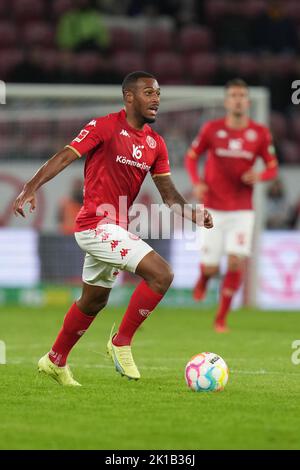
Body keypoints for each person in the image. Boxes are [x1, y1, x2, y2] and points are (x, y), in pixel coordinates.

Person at [13, 71, 213, 386]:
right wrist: (31, 186)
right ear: (129, 97)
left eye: (158, 93)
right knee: (162, 274)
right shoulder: (104, 126)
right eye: (149, 92)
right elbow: (66, 155)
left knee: (94, 301)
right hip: (95, 224)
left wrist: (192, 212)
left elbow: (169, 196)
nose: (156, 99)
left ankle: (55, 360)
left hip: (116, 226)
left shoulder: (155, 144)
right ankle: (121, 342)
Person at [185, 78, 278, 333]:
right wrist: (197, 182)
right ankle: (204, 278)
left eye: (242, 95)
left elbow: (272, 167)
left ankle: (221, 318)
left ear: (247, 101)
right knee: (213, 267)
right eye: (234, 95)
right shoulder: (211, 129)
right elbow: (191, 157)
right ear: (227, 101)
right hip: (212, 208)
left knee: (236, 262)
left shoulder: (259, 133)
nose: (238, 99)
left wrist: (260, 176)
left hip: (242, 209)